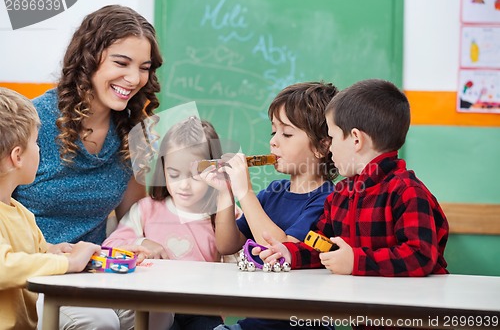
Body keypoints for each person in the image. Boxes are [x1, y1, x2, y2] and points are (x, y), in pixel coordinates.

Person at [12, 5, 162, 330]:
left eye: (144, 68)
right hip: (33, 275)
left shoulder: (133, 132)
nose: (134, 78)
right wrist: (53, 255)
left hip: (94, 273)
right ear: (88, 58)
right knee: (98, 320)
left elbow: (132, 216)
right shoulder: (32, 123)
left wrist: (142, 241)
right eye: (121, 63)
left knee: (157, 311)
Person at [258, 79, 449, 329]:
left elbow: (419, 256)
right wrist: (289, 253)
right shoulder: (342, 194)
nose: (330, 147)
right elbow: (321, 243)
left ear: (356, 140)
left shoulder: (407, 191)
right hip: (367, 317)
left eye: (333, 136)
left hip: (413, 319)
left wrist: (356, 261)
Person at [204, 82, 338, 330]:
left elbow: (281, 253)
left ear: (322, 146)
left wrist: (245, 192)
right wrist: (226, 193)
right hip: (257, 321)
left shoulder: (328, 200)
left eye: (286, 134)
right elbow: (227, 244)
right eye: (273, 132)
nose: (274, 142)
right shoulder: (273, 192)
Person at [104, 116, 232, 330]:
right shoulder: (146, 209)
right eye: (173, 174)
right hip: (154, 309)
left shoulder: (225, 214)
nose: (184, 185)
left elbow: (240, 265)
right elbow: (109, 247)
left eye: (196, 176)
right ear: (163, 170)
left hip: (204, 311)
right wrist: (142, 242)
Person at [0, 87, 102, 330]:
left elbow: (33, 256)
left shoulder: (21, 213)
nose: (39, 149)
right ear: (17, 156)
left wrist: (57, 252)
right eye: (35, 143)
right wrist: (69, 264)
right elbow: (4, 267)